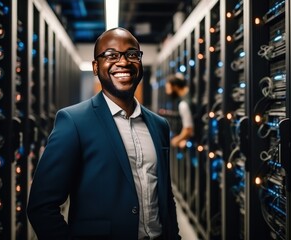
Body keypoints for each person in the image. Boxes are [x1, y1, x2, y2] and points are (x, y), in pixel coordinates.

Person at [27, 27, 181, 240]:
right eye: (111, 55)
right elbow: (42, 206)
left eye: (132, 54)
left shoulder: (159, 125)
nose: (123, 62)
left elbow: (165, 195)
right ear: (95, 66)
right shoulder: (74, 121)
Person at [165, 73, 194, 148]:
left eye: (168, 88)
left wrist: (176, 140)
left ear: (175, 87)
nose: (167, 92)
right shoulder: (191, 93)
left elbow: (188, 130)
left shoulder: (183, 105)